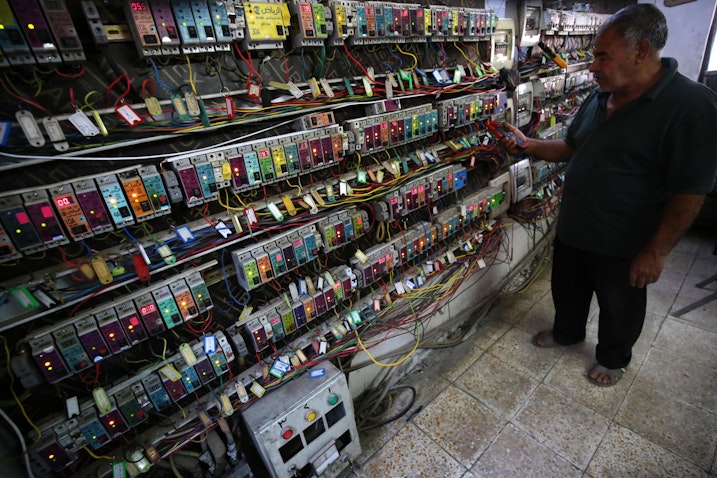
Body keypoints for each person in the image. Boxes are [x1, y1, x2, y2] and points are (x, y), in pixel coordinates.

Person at [500, 4, 717, 386]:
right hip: (576, 227)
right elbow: (571, 148)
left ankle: (613, 358)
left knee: (620, 305)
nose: (593, 66)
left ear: (642, 51)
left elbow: (691, 190)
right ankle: (568, 332)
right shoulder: (601, 96)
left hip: (626, 241)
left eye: (602, 56)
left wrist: (656, 252)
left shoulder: (690, 105)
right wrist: (529, 144)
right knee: (567, 290)